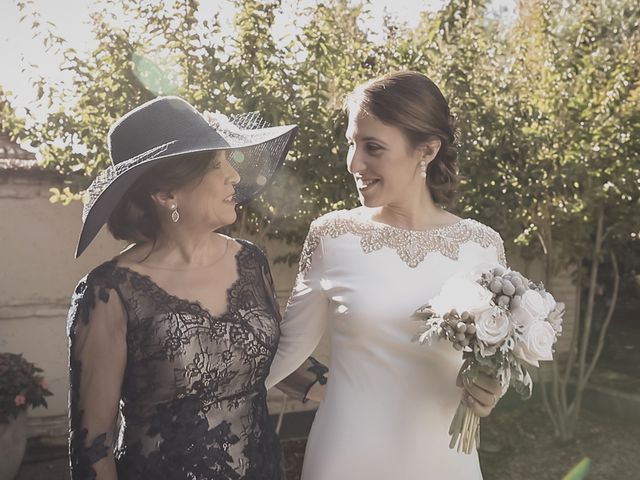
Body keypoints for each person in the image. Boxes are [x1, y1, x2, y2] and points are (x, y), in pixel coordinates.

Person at [265, 71, 505, 479]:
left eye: (372, 147)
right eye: (351, 145)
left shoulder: (482, 246)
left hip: (445, 461)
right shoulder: (333, 234)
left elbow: (491, 362)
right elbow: (285, 352)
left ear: (426, 150)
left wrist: (490, 389)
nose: (354, 163)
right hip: (345, 458)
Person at [67, 96, 317, 479]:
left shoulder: (251, 262)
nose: (234, 175)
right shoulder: (109, 292)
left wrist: (378, 383)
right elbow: (91, 445)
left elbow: (280, 359)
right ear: (166, 193)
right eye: (217, 165)